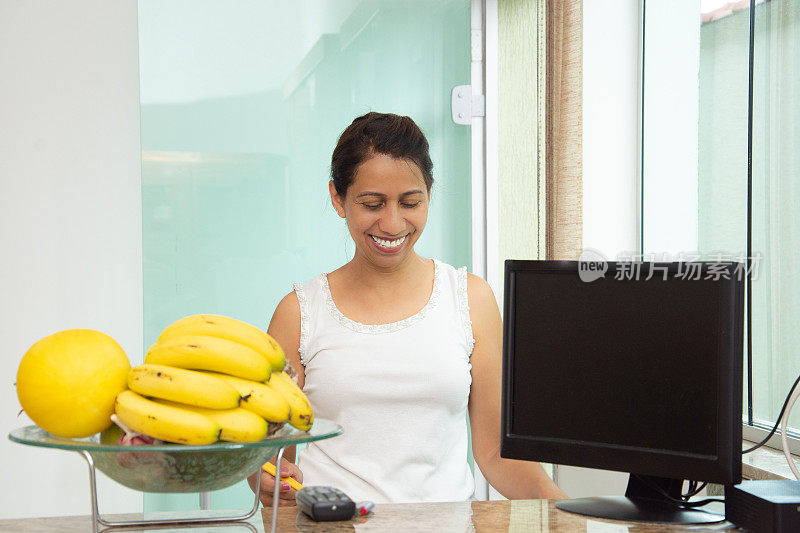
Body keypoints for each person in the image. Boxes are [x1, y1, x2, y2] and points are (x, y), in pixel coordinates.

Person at [249, 112, 566, 505]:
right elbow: (268, 460)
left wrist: (564, 510)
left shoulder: (469, 299)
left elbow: (495, 453)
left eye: (410, 202)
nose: (392, 223)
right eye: (372, 203)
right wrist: (267, 477)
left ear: (428, 195)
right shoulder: (298, 313)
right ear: (338, 198)